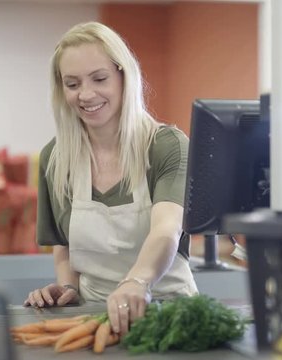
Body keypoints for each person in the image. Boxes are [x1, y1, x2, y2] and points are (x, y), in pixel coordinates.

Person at [24, 21, 198, 336]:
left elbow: (166, 230)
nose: (86, 94)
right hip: (94, 319)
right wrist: (66, 288)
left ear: (124, 77)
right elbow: (64, 247)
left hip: (172, 314)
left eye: (99, 78)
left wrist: (137, 281)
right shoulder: (56, 157)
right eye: (72, 84)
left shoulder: (165, 146)